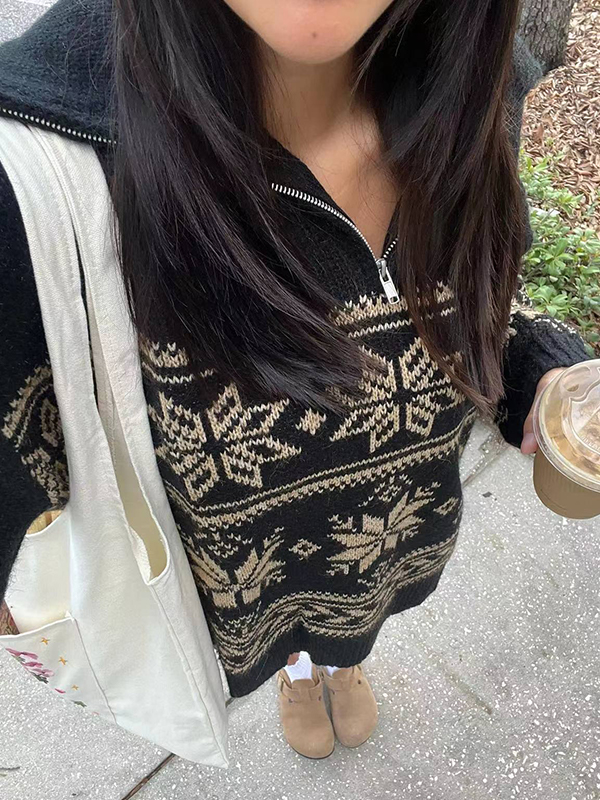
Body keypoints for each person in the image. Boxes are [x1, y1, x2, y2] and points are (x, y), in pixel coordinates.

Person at [0, 0, 591, 761]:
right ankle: (298, 671)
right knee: (293, 636)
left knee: (355, 622)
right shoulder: (39, 173)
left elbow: (473, 301)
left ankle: (341, 660)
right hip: (243, 586)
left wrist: (543, 374)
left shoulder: (476, 82)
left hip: (391, 543)